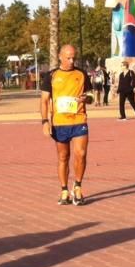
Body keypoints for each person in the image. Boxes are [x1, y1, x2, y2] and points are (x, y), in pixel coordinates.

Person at [40, 44, 92, 206]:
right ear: (60, 56)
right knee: (63, 157)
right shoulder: (51, 75)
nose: (71, 61)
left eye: (73, 58)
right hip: (59, 123)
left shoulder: (81, 74)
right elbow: (44, 100)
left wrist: (85, 99)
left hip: (79, 120)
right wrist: (45, 122)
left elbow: (90, 97)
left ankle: (77, 187)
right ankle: (64, 190)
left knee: (81, 154)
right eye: (68, 57)